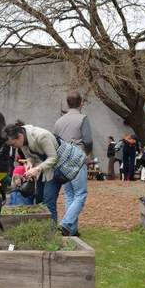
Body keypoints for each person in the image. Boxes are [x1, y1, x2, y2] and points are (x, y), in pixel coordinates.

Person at [4, 120, 70, 230]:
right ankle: (41, 230)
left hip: (53, 170)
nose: (14, 147)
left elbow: (53, 158)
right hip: (41, 171)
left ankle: (52, 234)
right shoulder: (22, 140)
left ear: (19, 136)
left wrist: (37, 168)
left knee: (49, 202)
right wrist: (29, 163)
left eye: (13, 144)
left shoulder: (41, 136)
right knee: (39, 200)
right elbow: (30, 156)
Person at [53, 91, 91, 237]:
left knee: (69, 195)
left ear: (67, 104)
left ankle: (71, 230)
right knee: (80, 194)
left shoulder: (58, 122)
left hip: (63, 160)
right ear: (81, 103)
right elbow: (87, 140)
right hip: (78, 157)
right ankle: (66, 223)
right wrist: (88, 152)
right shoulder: (83, 118)